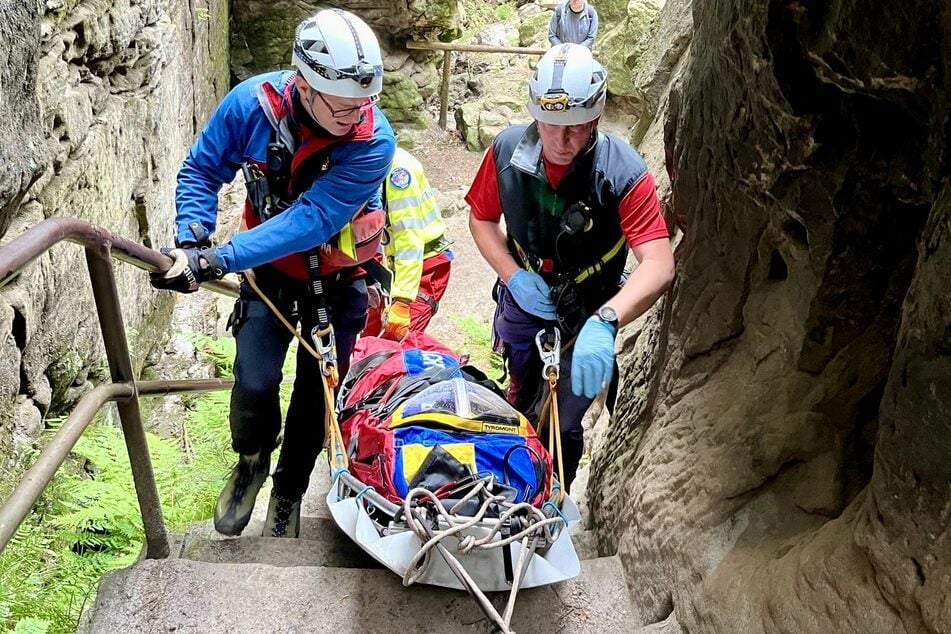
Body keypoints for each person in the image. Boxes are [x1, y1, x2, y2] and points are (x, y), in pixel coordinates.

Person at [150, 9, 396, 538]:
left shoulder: (373, 140)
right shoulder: (250, 106)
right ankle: (252, 459)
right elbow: (202, 168)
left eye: (364, 103)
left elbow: (315, 219)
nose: (357, 115)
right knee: (254, 381)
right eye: (344, 106)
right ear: (304, 85)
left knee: (316, 394)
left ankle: (288, 492)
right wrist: (192, 237)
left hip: (342, 277)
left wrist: (218, 258)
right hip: (270, 274)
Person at [466, 44, 674, 492]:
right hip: (525, 299)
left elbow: (658, 262)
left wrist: (608, 319)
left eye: (576, 129)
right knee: (519, 397)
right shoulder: (506, 152)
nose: (561, 141)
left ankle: (551, 497)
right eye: (550, 126)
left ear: (596, 120)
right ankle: (506, 487)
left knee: (563, 419)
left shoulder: (622, 174)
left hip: (589, 312)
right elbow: (481, 218)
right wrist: (512, 274)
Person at [363, 147, 453, 341]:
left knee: (396, 341)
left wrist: (403, 300)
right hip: (394, 265)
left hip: (425, 265)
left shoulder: (398, 171)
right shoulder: (369, 162)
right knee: (372, 340)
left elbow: (409, 237)